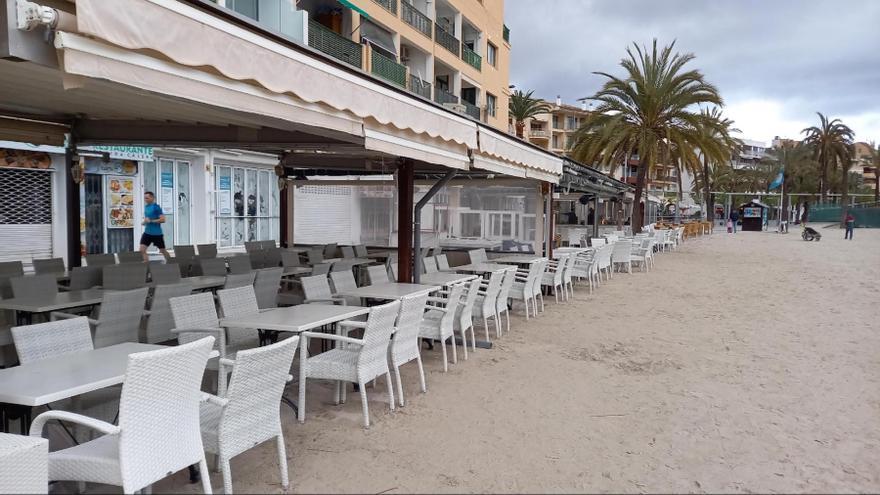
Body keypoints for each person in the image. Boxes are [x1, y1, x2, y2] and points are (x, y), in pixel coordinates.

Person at [140, 191, 169, 261]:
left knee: (163, 251)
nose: (145, 200)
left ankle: (172, 263)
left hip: (157, 234)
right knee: (142, 250)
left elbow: (163, 219)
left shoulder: (156, 207)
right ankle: (147, 268)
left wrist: (151, 221)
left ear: (152, 198)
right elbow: (148, 219)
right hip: (147, 233)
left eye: (147, 198)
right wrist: (144, 222)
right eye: (145, 198)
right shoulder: (146, 207)